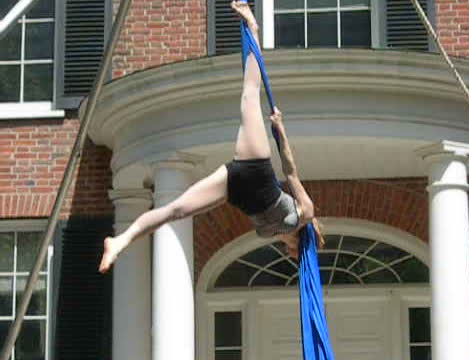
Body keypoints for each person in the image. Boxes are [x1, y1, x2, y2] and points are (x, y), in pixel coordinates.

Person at [98, 0, 322, 274]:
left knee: (177, 210)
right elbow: (291, 172)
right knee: (250, 94)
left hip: (234, 189)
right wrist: (280, 131)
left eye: (292, 254)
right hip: (255, 169)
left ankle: (119, 241)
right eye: (295, 252)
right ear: (305, 244)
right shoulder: (304, 214)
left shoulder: (277, 234)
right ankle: (253, 26)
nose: (290, 252)